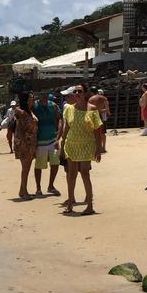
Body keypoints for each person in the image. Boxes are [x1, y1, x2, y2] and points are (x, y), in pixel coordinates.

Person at [59, 85, 103, 215]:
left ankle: (89, 205)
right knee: (71, 174)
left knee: (85, 173)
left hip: (86, 145)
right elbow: (66, 128)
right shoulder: (69, 109)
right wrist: (62, 143)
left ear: (85, 93)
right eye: (75, 91)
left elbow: (97, 130)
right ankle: (70, 204)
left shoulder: (92, 109)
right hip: (71, 144)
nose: (77, 93)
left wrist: (98, 149)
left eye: (80, 91)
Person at [32, 93, 63, 197]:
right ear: (38, 95)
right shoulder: (34, 105)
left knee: (55, 164)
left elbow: (59, 119)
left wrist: (58, 137)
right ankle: (38, 188)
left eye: (45, 94)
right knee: (39, 165)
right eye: (41, 94)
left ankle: (51, 186)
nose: (44, 96)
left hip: (53, 139)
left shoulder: (53, 106)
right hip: (40, 141)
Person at [13, 92, 38, 200]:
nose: (33, 100)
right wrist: (24, 144)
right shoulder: (22, 112)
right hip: (25, 143)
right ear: (26, 100)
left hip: (30, 142)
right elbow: (21, 130)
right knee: (25, 168)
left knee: (26, 168)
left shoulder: (28, 111)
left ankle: (22, 191)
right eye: (31, 98)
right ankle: (25, 192)